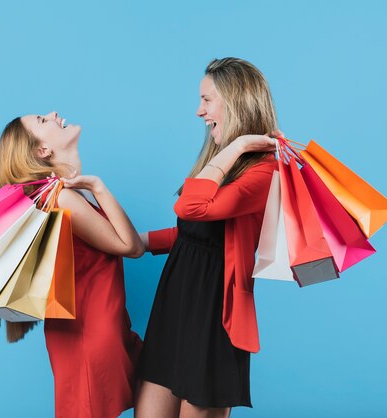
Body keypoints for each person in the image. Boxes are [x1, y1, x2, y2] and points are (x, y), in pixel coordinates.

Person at [135, 57, 281, 418]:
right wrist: (140, 243)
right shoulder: (223, 162)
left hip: (215, 317)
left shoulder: (264, 169)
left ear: (235, 102)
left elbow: (192, 209)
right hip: (174, 306)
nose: (199, 112)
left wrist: (236, 147)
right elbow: (197, 234)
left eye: (206, 99)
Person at [0, 112, 144, 418]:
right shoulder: (63, 199)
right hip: (89, 337)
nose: (53, 115)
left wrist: (182, 237)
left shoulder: (56, 197)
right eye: (42, 120)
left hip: (95, 332)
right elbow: (130, 247)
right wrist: (98, 187)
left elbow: (108, 244)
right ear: (42, 151)